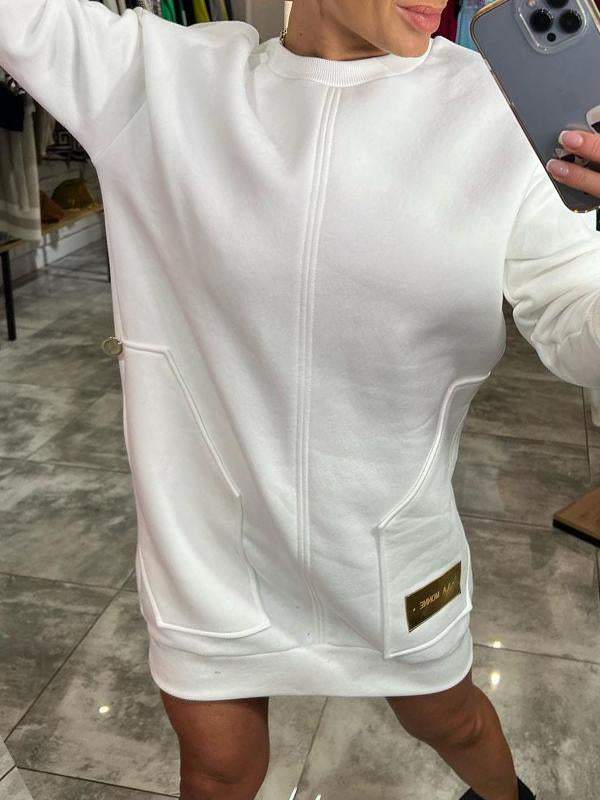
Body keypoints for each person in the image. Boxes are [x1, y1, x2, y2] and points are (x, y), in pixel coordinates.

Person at [1, 2, 600, 800]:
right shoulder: (159, 82)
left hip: (389, 547)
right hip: (210, 554)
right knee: (218, 770)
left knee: (453, 723)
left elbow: (576, 322)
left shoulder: (498, 110)